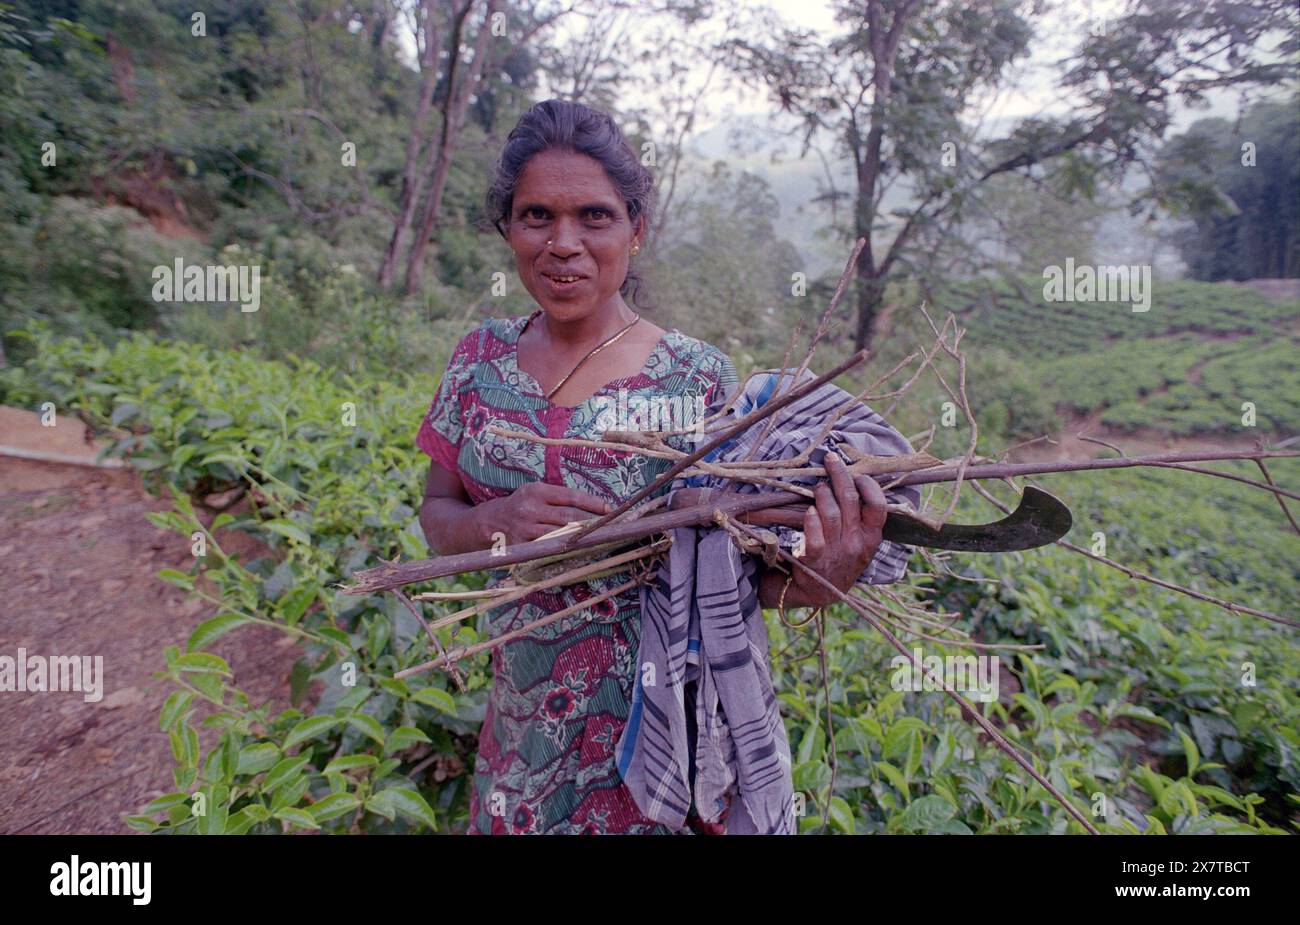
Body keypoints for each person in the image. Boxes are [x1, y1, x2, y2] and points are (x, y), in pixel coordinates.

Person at [416, 99, 893, 834]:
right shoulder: (478, 362)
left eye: (596, 217)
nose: (563, 244)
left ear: (636, 230)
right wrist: (493, 522)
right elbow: (436, 514)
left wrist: (821, 577)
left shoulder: (695, 381)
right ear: (507, 227)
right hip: (519, 741)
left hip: (656, 752)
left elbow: (739, 585)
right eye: (536, 215)